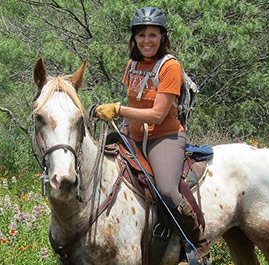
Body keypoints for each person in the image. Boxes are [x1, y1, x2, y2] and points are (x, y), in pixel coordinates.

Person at [95, 6, 209, 264]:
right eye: (141, 35)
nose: (147, 40)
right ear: (134, 38)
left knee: (167, 189)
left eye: (152, 35)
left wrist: (118, 109)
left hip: (164, 137)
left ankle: (195, 243)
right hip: (135, 137)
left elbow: (158, 114)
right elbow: (131, 103)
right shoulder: (132, 65)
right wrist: (122, 126)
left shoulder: (170, 67)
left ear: (162, 37)